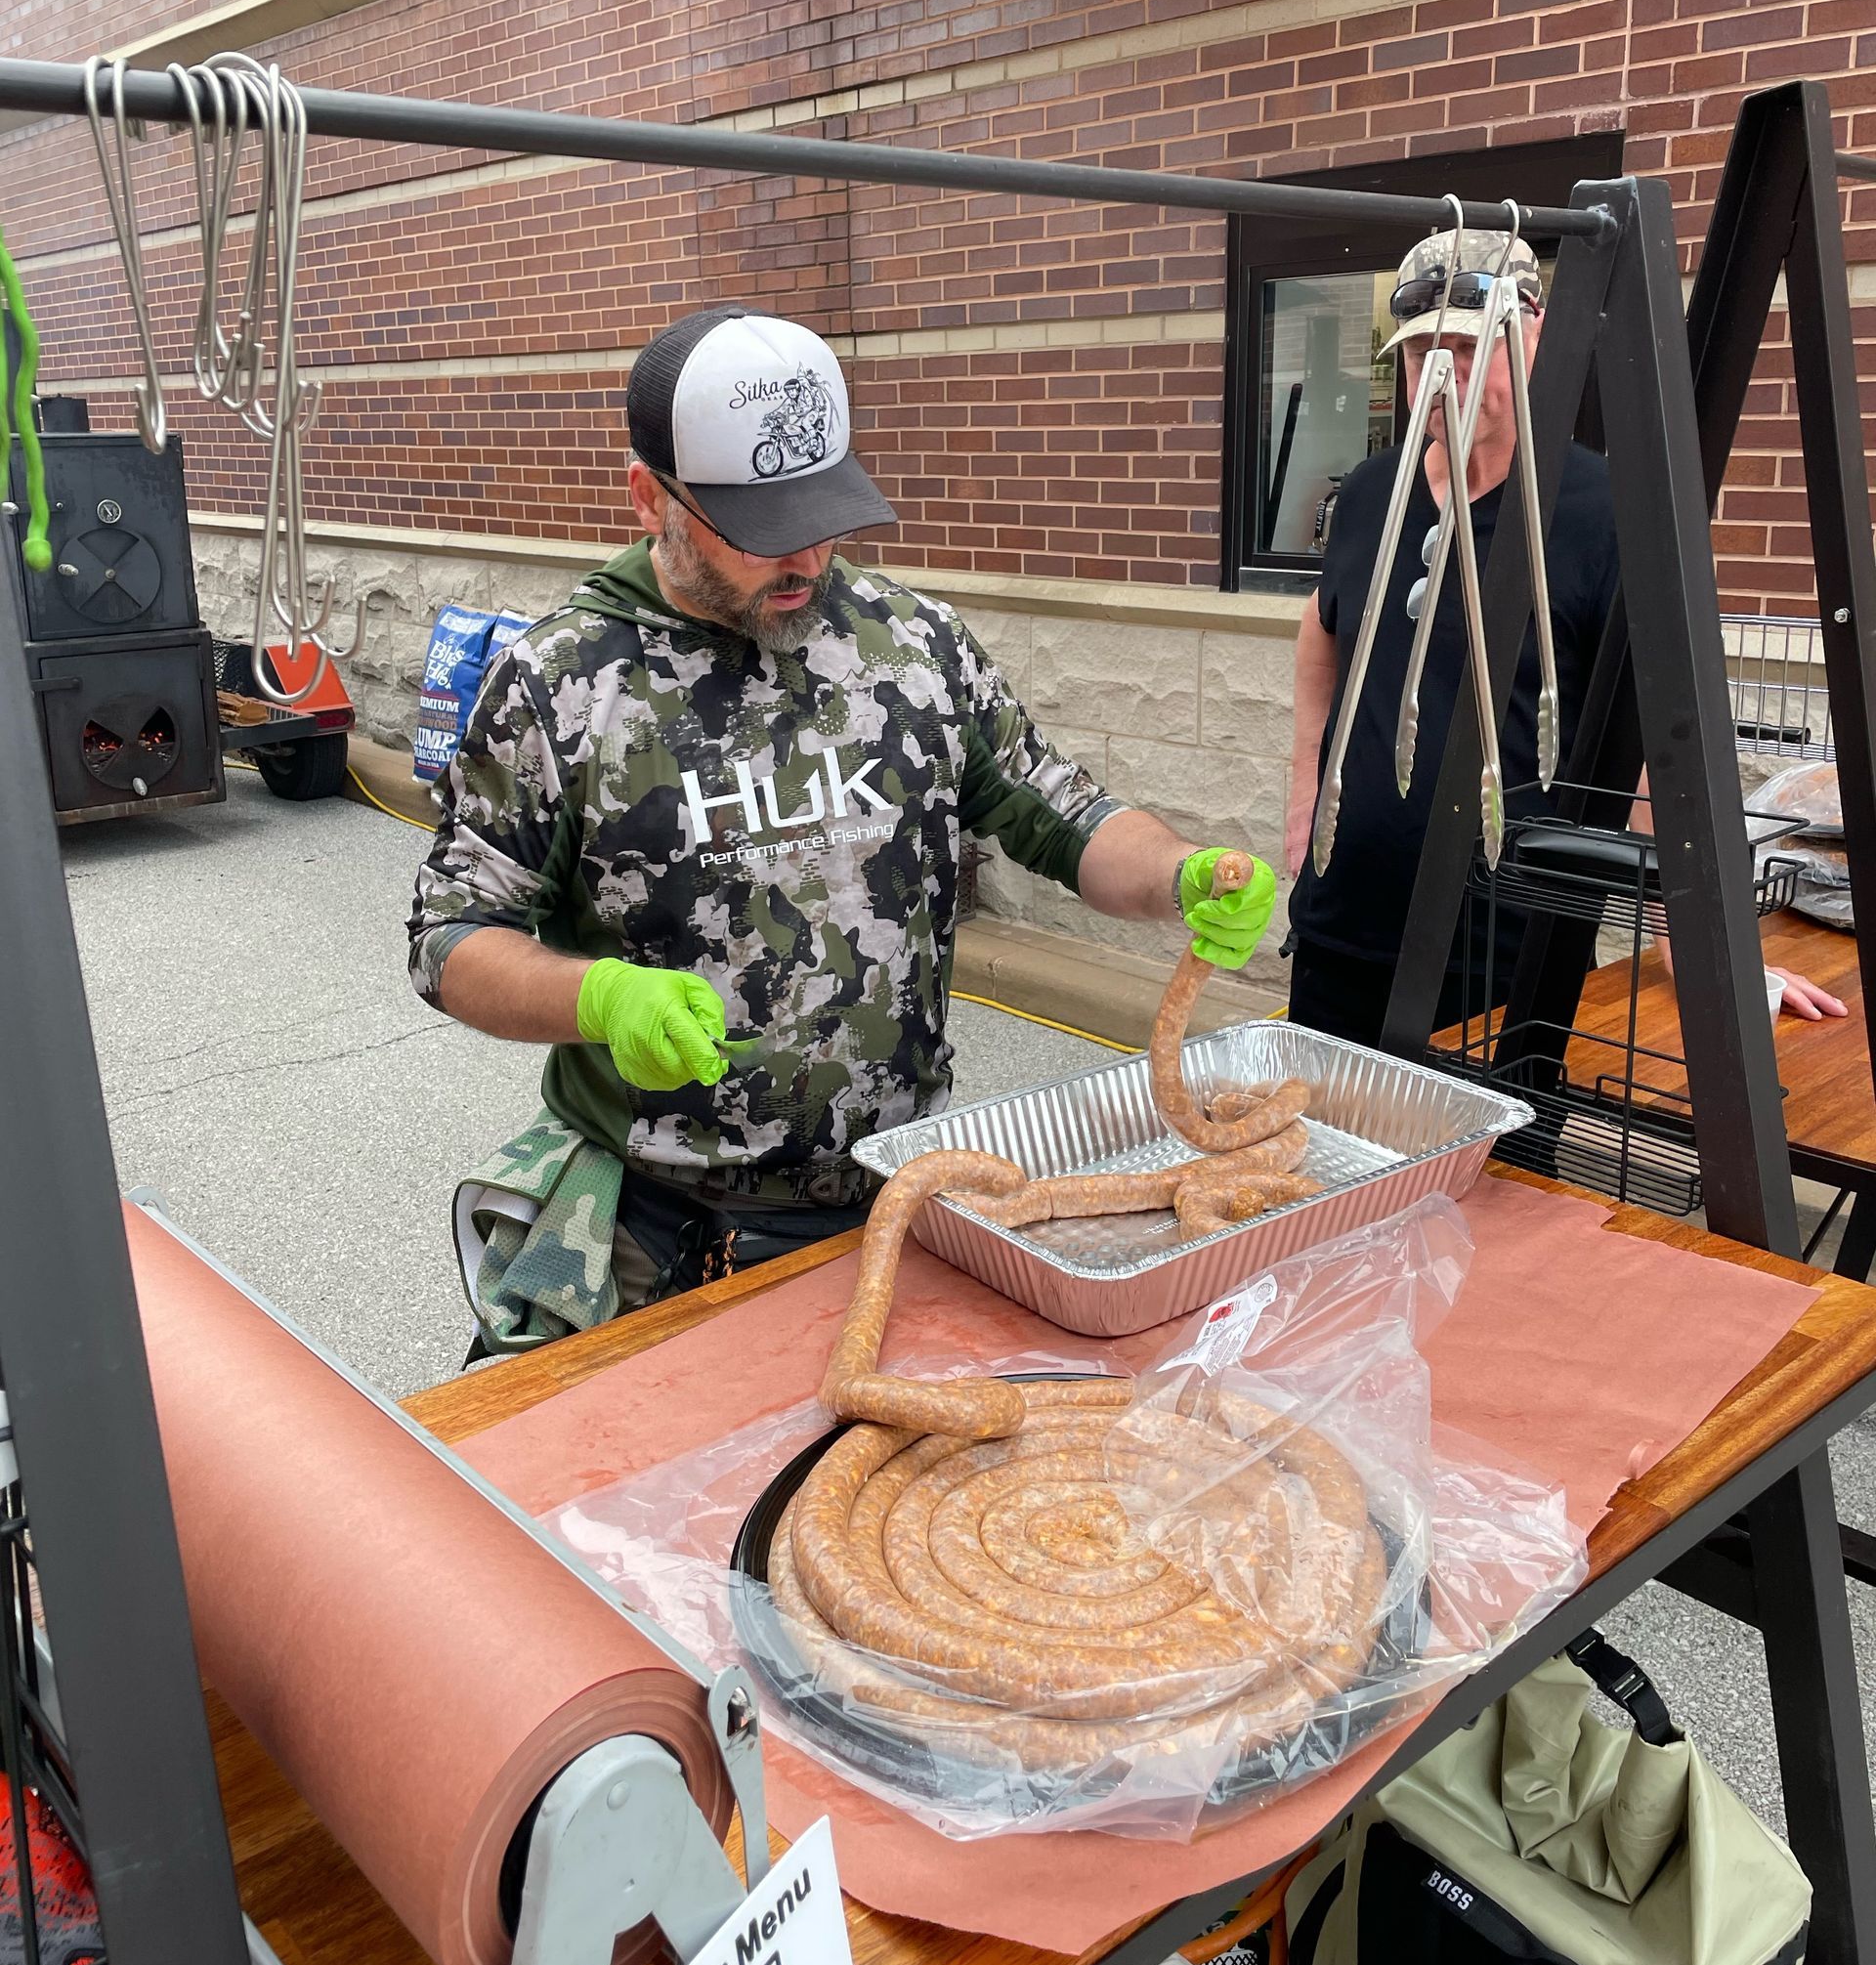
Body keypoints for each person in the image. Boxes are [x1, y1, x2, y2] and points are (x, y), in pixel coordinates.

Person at [410, 305, 1277, 1329]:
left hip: (894, 1194)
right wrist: (598, 999)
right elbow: (450, 939)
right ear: (652, 497)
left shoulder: (911, 645)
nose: (810, 561)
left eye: (824, 516)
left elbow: (1066, 814)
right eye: (763, 532)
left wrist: (1181, 873)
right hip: (655, 1218)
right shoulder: (560, 683)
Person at [1282, 230, 1843, 1047]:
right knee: (1324, 1165)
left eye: (1473, 349)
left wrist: (1701, 948)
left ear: (1537, 339)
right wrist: (1304, 806)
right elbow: (1323, 629)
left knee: (1489, 1177)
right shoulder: (1373, 491)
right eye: (1422, 354)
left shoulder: (1606, 515)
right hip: (1342, 930)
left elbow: (1659, 747)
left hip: (1505, 957)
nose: (1446, 378)